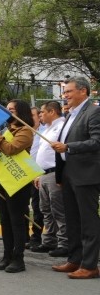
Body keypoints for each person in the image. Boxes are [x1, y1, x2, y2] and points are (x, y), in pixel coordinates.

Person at [49, 77, 100, 279]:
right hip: (68, 173)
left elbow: (97, 141)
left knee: (88, 221)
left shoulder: (94, 112)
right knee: (72, 220)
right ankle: (75, 260)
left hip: (86, 175)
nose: (65, 95)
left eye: (69, 91)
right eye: (64, 92)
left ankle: (90, 265)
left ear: (83, 91)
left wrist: (69, 147)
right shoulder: (70, 114)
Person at [0, 99, 35, 273]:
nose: (7, 112)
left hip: (17, 180)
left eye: (11, 110)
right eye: (6, 109)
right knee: (5, 219)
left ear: (21, 112)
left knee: (16, 220)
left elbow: (11, 149)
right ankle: (6, 255)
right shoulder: (5, 130)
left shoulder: (25, 130)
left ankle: (18, 258)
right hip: (1, 178)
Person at [31, 101, 68, 256]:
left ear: (52, 112)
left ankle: (64, 242)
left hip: (55, 173)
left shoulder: (62, 127)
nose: (40, 115)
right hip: (44, 174)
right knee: (45, 209)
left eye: (43, 112)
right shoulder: (47, 129)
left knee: (58, 209)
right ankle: (49, 240)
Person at [26, 106, 45, 249]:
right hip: (22, 174)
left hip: (37, 174)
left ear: (39, 116)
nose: (30, 118)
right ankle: (23, 235)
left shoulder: (44, 132)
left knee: (37, 207)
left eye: (32, 115)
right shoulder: (23, 132)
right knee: (21, 207)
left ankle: (36, 237)